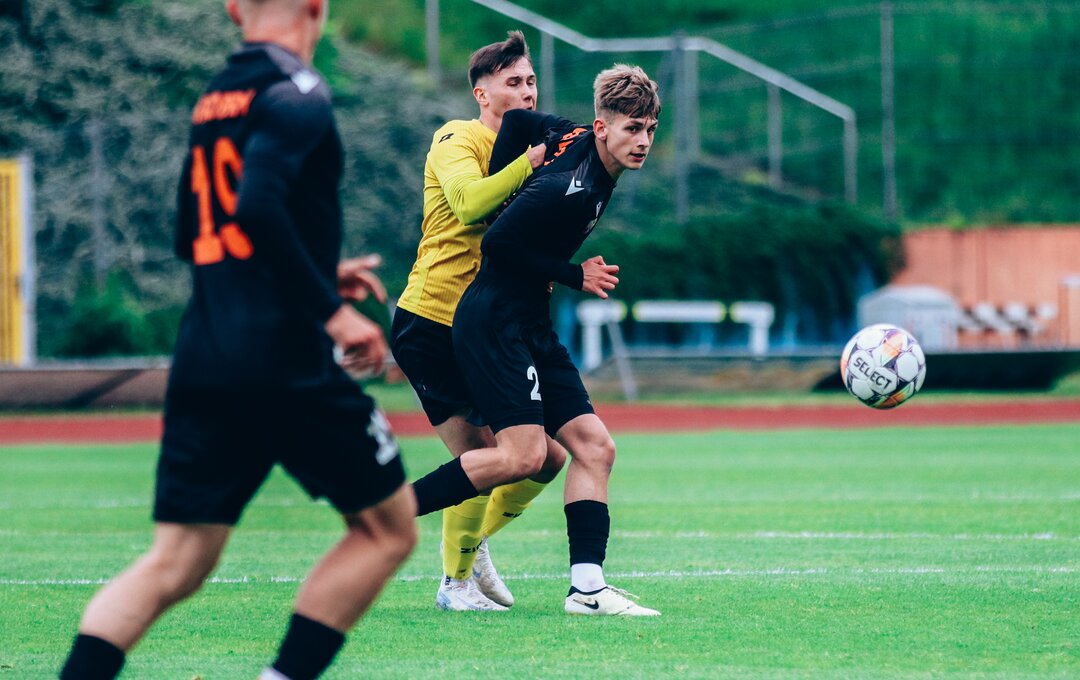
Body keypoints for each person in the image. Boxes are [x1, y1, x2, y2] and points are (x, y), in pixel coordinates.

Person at [58, 1, 416, 678]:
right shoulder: (299, 90)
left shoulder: (216, 98)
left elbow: (197, 233)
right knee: (386, 531)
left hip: (206, 353)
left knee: (176, 561)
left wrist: (318, 270)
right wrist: (329, 309)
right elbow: (255, 207)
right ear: (317, 6)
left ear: (231, 8)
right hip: (284, 359)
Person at [410, 64, 662, 616]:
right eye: (631, 129)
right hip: (494, 321)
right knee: (522, 457)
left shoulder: (575, 135)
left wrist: (506, 174)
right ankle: (388, 509)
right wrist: (575, 274)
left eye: (649, 129)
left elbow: (521, 121)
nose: (642, 141)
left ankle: (587, 590)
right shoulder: (564, 190)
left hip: (529, 321)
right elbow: (496, 245)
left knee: (595, 448)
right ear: (602, 128)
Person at [390, 31, 567, 612]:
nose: (527, 92)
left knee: (548, 457)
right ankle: (455, 582)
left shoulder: (536, 150)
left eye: (531, 81)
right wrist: (528, 164)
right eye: (513, 82)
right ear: (482, 94)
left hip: (491, 327)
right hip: (433, 321)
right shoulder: (456, 138)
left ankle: (473, 546)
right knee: (484, 454)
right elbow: (468, 205)